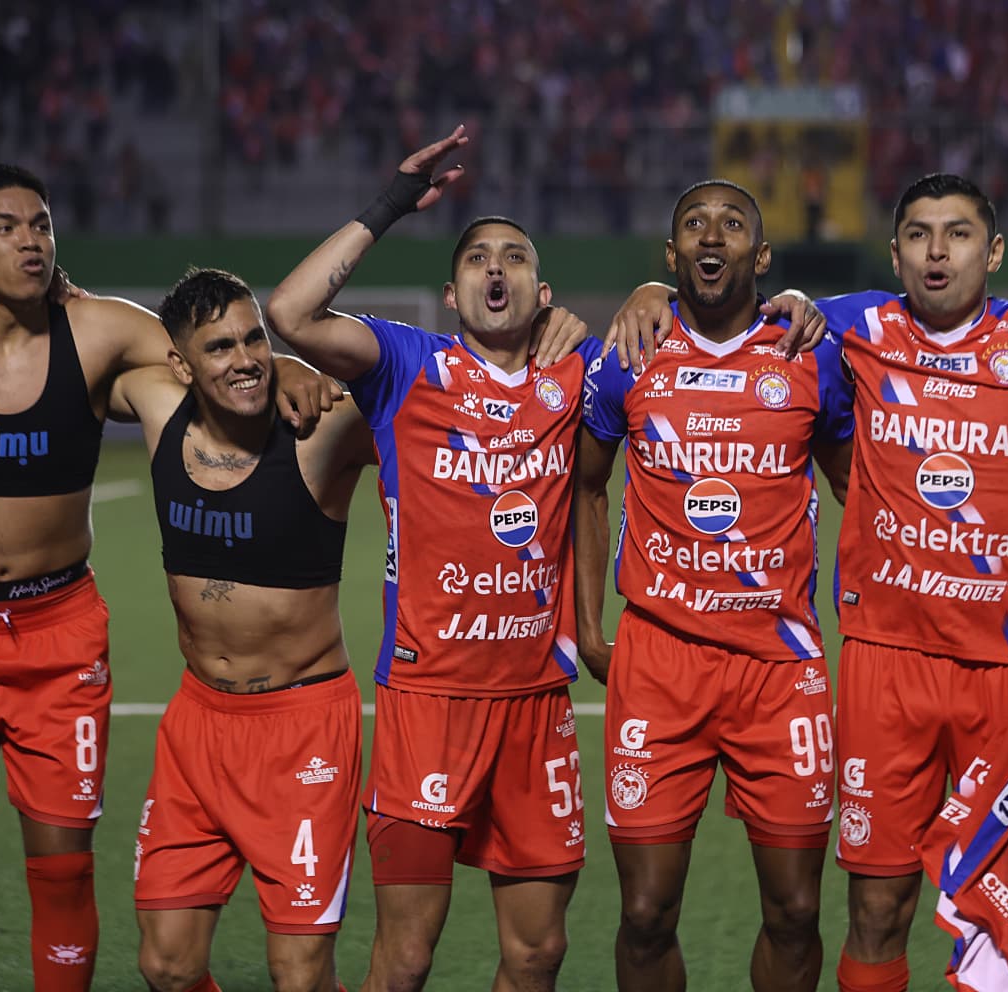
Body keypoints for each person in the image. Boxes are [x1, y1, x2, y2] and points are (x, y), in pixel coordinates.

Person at [611, 173, 1008, 991]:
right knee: (875, 914)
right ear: (896, 251)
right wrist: (651, 288)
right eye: (918, 235)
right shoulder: (851, 328)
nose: (938, 252)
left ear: (997, 250)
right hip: (885, 670)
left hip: (1007, 666)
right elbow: (734, 292)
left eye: (960, 234)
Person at [0, 163, 336, 992]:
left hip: (58, 634)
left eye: (42, 224)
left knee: (63, 860)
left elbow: (212, 365)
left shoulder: (101, 333)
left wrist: (291, 368)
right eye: (6, 227)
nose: (30, 240)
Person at [267, 126, 599, 992]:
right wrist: (387, 207)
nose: (496, 269)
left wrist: (641, 290)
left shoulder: (581, 374)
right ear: (453, 294)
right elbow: (290, 315)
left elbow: (695, 348)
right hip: (427, 706)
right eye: (477, 259)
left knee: (538, 955)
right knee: (405, 958)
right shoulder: (410, 365)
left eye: (515, 257)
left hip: (536, 706)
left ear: (543, 289)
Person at [573, 180, 853, 992]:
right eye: (694, 223)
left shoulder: (809, 355)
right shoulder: (630, 353)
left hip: (780, 670)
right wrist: (590, 627)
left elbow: (857, 485)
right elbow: (587, 485)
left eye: (733, 224)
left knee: (797, 912)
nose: (712, 235)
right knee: (644, 914)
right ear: (671, 256)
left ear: (760, 256)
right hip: (660, 667)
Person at [109, 268, 374, 992]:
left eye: (255, 338)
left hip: (303, 732)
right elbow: (68, 340)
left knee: (299, 973)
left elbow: (435, 404)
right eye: (219, 347)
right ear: (180, 364)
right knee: (165, 963)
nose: (247, 358)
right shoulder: (157, 408)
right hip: (199, 724)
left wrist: (297, 362)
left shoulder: (321, 432)